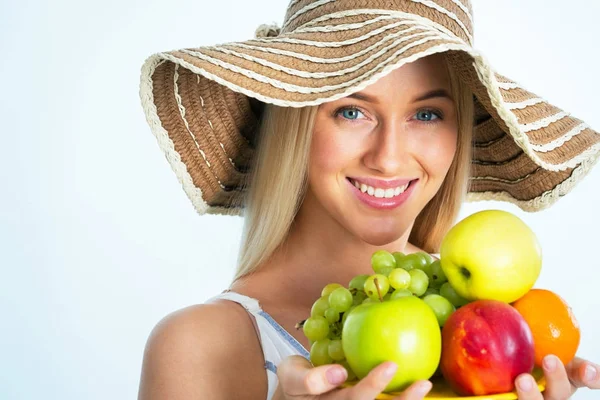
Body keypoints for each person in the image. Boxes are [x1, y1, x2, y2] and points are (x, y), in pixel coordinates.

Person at [136, 1, 600, 399]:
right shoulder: (200, 349)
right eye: (352, 111)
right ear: (295, 124)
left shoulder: (496, 324)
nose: (388, 158)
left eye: (426, 114)